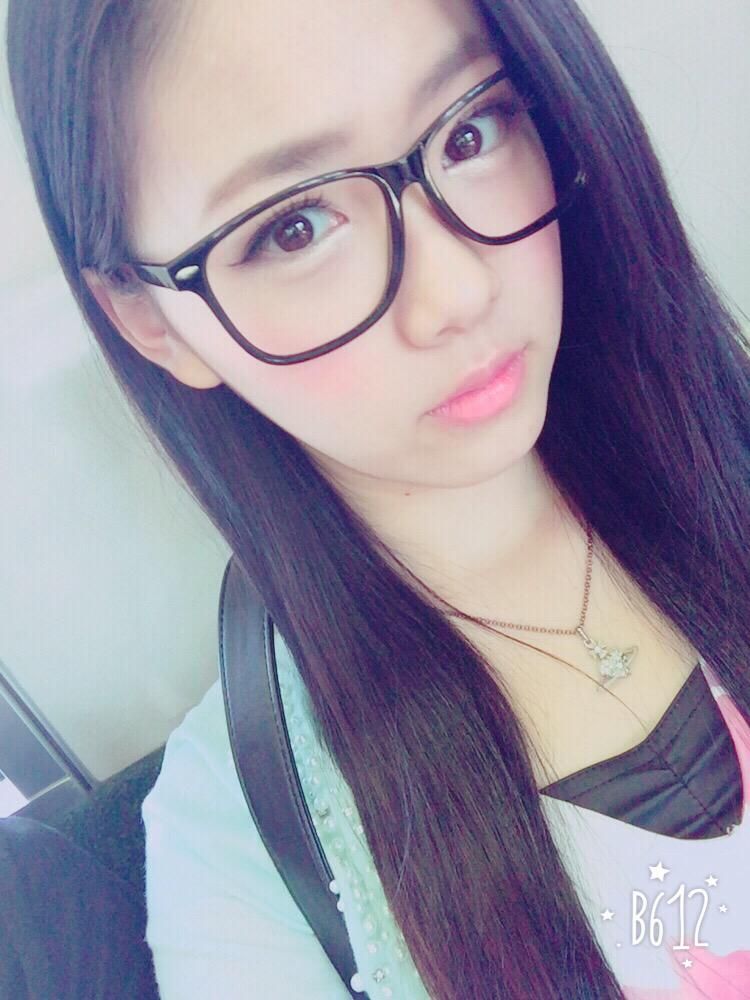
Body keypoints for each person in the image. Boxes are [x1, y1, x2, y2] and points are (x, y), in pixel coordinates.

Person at [6, 0, 749, 997]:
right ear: (152, 324)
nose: (457, 292)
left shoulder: (722, 435)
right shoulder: (241, 850)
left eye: (470, 129)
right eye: (295, 227)